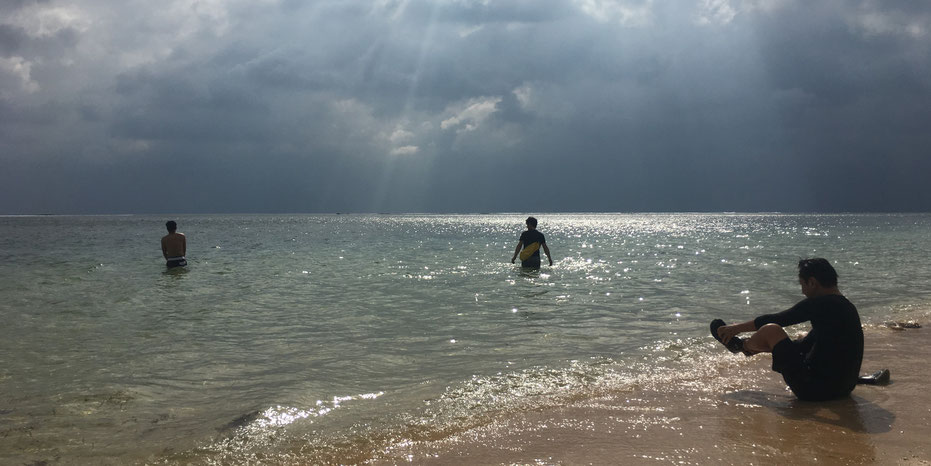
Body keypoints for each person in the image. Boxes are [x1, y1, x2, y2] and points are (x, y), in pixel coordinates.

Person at [711, 258, 863, 401]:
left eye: (802, 284)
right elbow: (805, 346)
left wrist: (736, 328)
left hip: (813, 391)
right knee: (803, 337)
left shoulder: (820, 303)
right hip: (844, 389)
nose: (802, 291)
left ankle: (743, 347)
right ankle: (749, 347)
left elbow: (779, 319)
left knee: (771, 330)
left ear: (812, 282)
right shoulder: (845, 306)